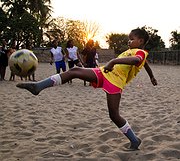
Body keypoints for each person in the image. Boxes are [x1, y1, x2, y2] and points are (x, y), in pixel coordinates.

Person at [16, 28, 157, 150]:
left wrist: (113, 61)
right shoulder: (130, 51)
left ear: (141, 41)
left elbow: (138, 61)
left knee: (114, 115)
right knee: (75, 70)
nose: (129, 42)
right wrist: (151, 77)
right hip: (103, 73)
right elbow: (145, 65)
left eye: (131, 39)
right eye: (128, 39)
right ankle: (38, 86)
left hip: (115, 82)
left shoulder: (140, 52)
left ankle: (134, 140)